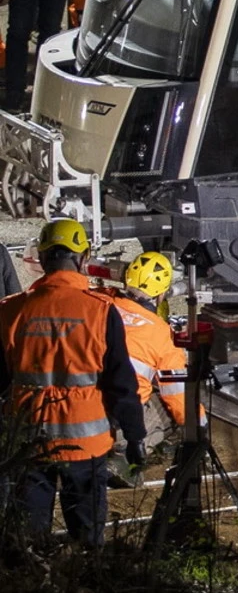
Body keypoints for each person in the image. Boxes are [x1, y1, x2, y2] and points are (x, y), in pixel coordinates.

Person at [0, 219, 145, 546]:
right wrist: (135, 436)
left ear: (41, 257)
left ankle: (34, 592)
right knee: (88, 542)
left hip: (28, 444)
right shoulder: (101, 311)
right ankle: (89, 591)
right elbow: (121, 384)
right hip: (86, 446)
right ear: (82, 259)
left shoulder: (10, 311)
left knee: (28, 542)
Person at [92, 252, 187, 442]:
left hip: (82, 409)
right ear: (161, 294)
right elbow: (178, 398)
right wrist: (198, 424)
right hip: (120, 422)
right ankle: (126, 458)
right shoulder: (163, 335)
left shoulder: (98, 304)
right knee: (166, 405)